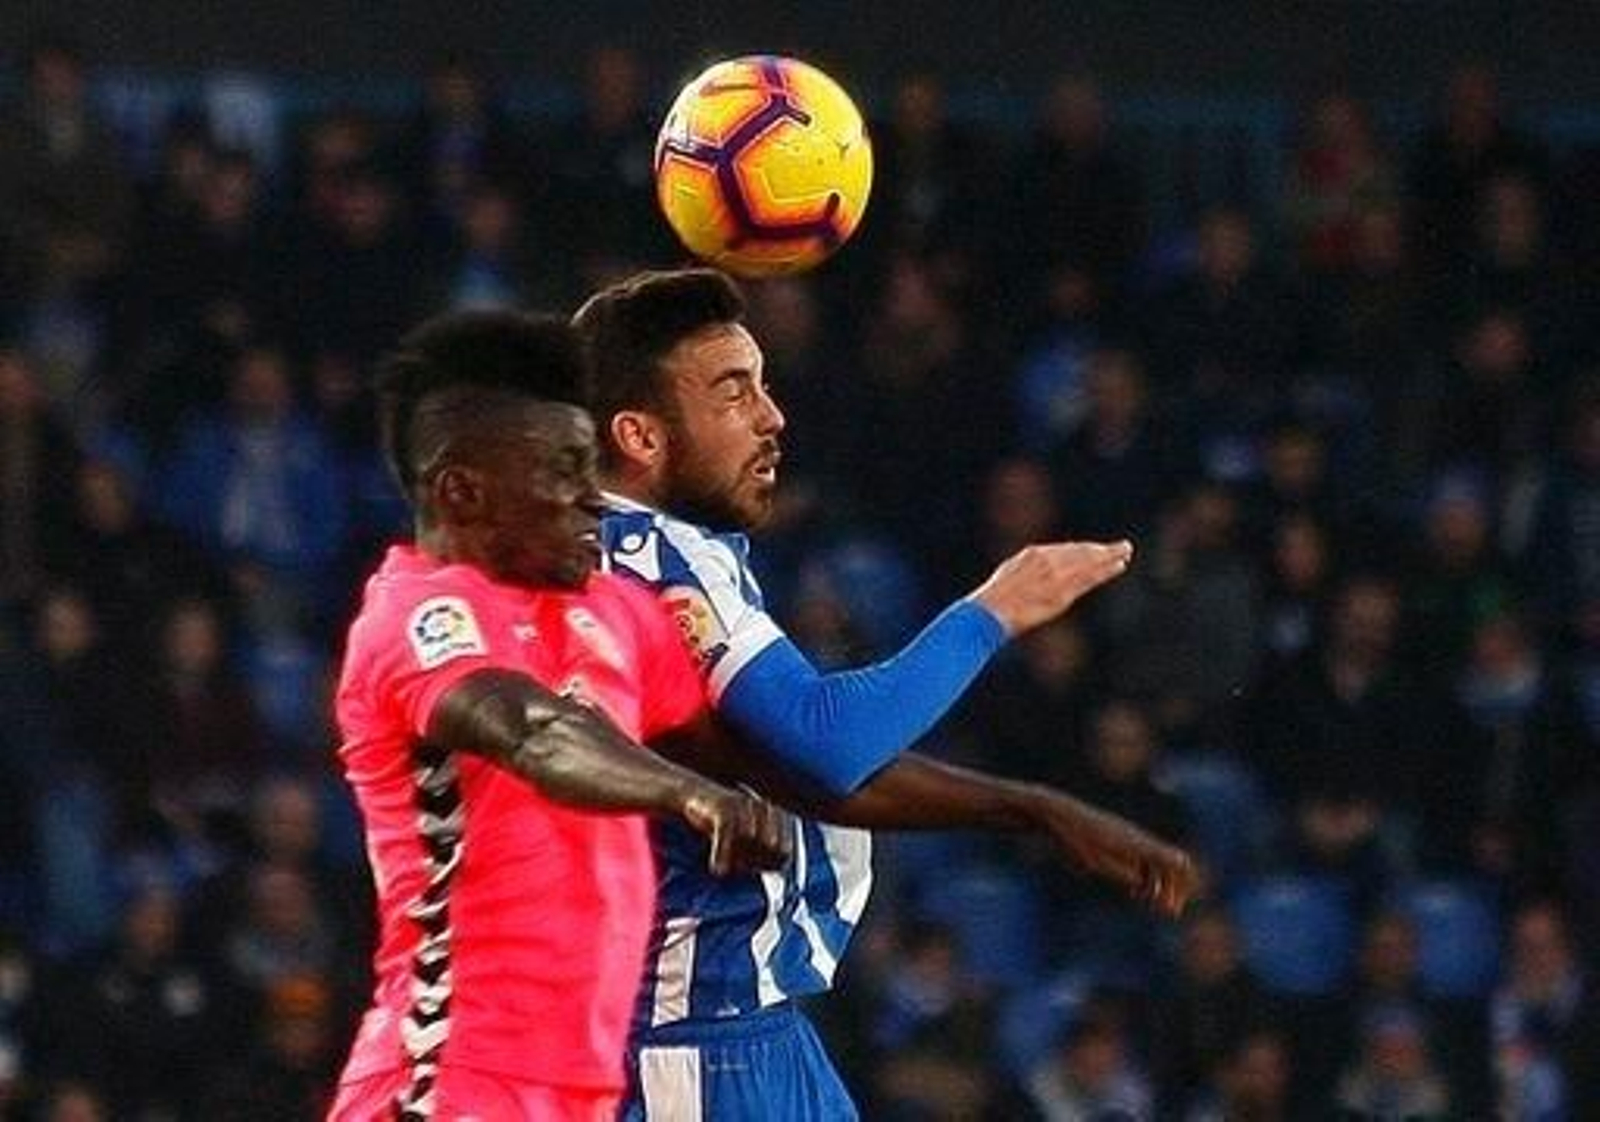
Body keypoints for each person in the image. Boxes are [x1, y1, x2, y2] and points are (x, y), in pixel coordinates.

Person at [573, 267, 1200, 1119]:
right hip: (688, 1046)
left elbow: (797, 769)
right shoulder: (649, 557)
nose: (772, 417)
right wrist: (992, 610)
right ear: (640, 437)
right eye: (733, 393)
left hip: (755, 1036)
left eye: (764, 385)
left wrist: (1034, 809)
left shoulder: (631, 554)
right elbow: (826, 742)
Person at [326, 309, 790, 1121]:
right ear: (462, 491)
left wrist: (1026, 809)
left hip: (584, 1093)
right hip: (448, 1075)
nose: (594, 500)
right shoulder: (412, 616)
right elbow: (537, 734)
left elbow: (778, 753)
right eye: (568, 469)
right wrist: (688, 794)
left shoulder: (615, 612)